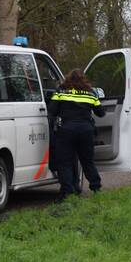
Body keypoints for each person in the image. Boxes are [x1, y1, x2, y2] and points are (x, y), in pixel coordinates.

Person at [47, 69, 106, 199]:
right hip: (86, 131)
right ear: (83, 80)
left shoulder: (61, 91)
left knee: (65, 162)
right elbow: (101, 113)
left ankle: (67, 192)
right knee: (87, 161)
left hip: (66, 131)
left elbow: (52, 111)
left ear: (68, 79)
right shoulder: (90, 93)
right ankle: (96, 187)